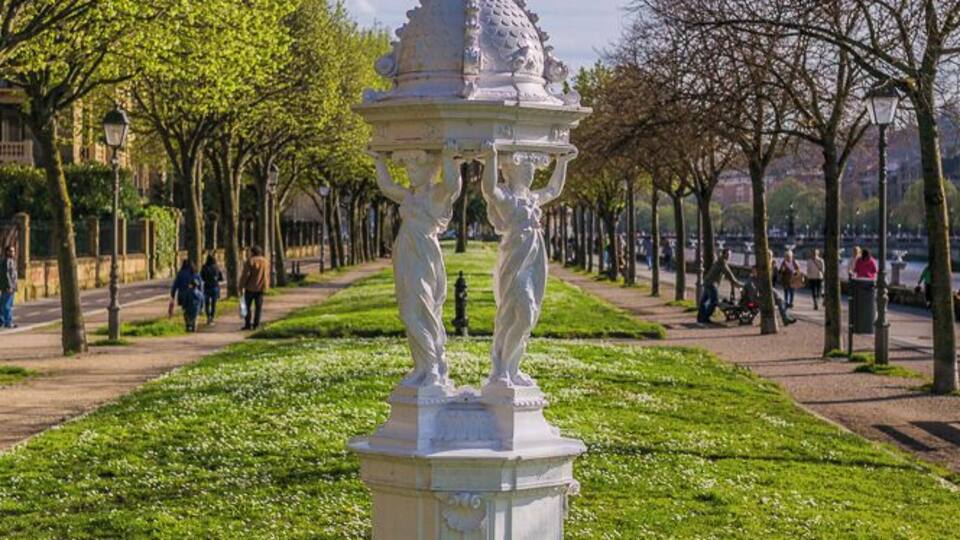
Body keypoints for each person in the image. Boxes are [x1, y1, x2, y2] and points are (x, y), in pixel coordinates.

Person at [481, 143, 577, 386]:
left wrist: (562, 162)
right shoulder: (507, 199)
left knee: (529, 316)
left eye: (531, 170)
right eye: (525, 169)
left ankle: (512, 369)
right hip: (515, 262)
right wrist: (491, 157)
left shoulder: (532, 199)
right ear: (510, 172)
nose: (530, 174)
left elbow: (553, 189)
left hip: (534, 261)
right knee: (522, 315)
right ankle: (502, 369)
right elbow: (489, 188)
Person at [371, 145, 463, 387]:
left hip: (424, 254)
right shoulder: (409, 196)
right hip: (405, 254)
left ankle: (433, 365)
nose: (411, 173)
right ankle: (422, 366)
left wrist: (449, 159)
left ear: (431, 170)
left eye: (416, 169)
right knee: (408, 311)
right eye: (409, 169)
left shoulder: (436, 194)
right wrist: (379, 160)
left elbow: (452, 185)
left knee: (420, 310)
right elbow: (387, 187)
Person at [698, 248, 743, 323]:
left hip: (707, 282)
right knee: (714, 301)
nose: (729, 256)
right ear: (724, 254)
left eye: (730, 254)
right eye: (727, 254)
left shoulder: (718, 261)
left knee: (704, 300)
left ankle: (700, 318)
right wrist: (741, 285)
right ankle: (705, 318)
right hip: (711, 284)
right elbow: (730, 277)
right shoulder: (722, 263)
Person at [239, 246, 270, 331]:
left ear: (253, 252)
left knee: (247, 306)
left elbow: (246, 275)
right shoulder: (265, 261)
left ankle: (247, 324)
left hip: (250, 287)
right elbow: (267, 274)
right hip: (261, 288)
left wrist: (241, 285)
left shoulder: (250, 261)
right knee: (258, 307)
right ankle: (256, 324)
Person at [170, 260, 203, 332]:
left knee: (185, 310)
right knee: (195, 309)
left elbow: (175, 285)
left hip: (183, 295)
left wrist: (172, 295)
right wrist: (200, 294)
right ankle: (193, 322)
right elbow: (200, 284)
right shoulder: (195, 273)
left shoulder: (180, 273)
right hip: (194, 295)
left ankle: (187, 323)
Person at [200, 253, 224, 325]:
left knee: (207, 303)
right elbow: (221, 278)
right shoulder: (216, 267)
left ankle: (208, 317)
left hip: (207, 287)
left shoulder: (204, 267)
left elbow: (201, 277)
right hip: (215, 287)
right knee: (213, 304)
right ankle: (212, 318)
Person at [0, 245, 17, 329]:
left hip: (9, 287)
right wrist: (9, 286)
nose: (13, 253)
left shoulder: (10, 261)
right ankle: (8, 322)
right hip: (8, 287)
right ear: (7, 252)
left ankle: (2, 321)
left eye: (13, 251)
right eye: (11, 251)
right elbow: (6, 274)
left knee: (3, 304)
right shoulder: (7, 261)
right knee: (7, 305)